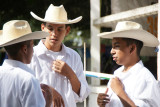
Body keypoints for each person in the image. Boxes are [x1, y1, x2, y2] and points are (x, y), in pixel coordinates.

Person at [29, 4, 90, 107]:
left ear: (67, 31)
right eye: (50, 28)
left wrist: (70, 74)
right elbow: (23, 89)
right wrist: (48, 91)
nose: (54, 33)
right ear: (43, 28)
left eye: (59, 29)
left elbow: (82, 95)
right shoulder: (31, 56)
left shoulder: (74, 56)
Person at [97, 21, 160, 107]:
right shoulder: (117, 73)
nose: (112, 51)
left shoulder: (145, 78)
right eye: (112, 46)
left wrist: (120, 92)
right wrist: (102, 103)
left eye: (117, 46)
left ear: (132, 49)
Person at [0, 20, 51, 107]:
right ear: (25, 49)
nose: (33, 49)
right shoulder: (28, 80)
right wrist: (48, 102)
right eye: (32, 45)